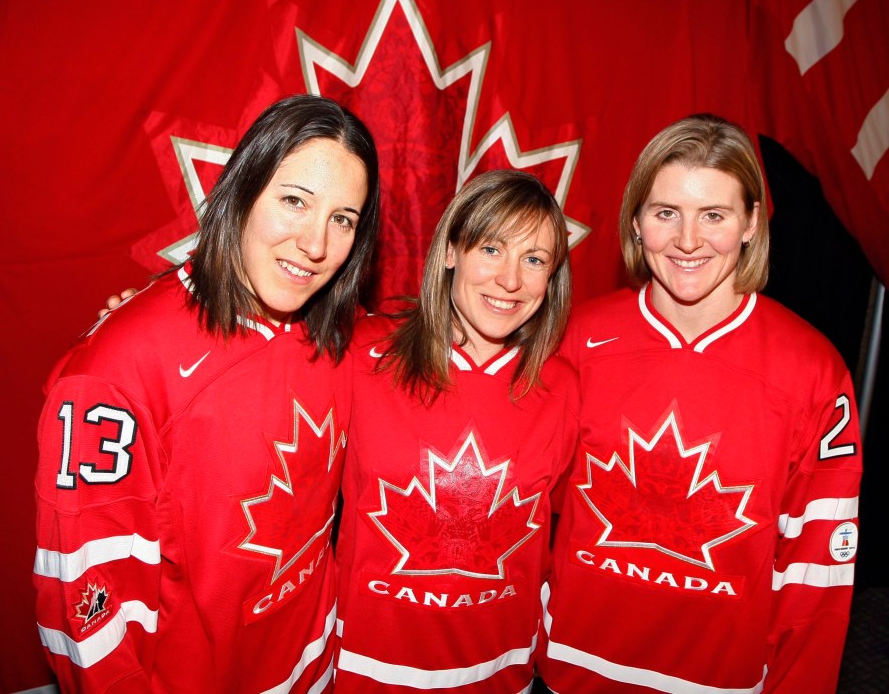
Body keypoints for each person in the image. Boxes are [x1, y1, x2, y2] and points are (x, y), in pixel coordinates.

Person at [33, 94, 380, 693]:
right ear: (242, 190)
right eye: (294, 201)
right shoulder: (117, 371)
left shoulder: (340, 334)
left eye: (342, 219)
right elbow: (84, 596)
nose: (316, 245)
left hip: (312, 668)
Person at [539, 115, 863, 693]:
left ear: (751, 223)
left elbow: (817, 575)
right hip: (572, 674)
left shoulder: (813, 370)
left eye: (713, 215)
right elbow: (529, 514)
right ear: (637, 222)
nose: (688, 240)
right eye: (666, 213)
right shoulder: (574, 338)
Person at [332, 170, 580, 693]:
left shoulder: (564, 389)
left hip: (500, 675)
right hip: (365, 670)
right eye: (491, 250)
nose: (510, 280)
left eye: (533, 260)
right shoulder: (361, 354)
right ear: (450, 251)